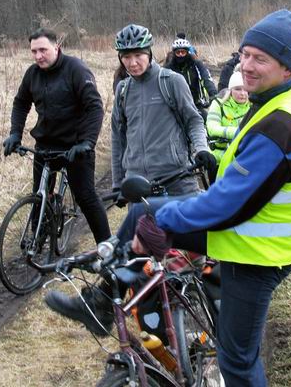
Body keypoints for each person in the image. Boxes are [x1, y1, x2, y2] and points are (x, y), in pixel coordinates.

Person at [136, 9, 291, 387]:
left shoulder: (282, 125)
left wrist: (167, 221)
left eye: (261, 58)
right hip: (255, 234)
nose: (247, 66)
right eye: (245, 54)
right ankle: (111, 302)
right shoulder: (277, 99)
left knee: (237, 360)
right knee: (139, 215)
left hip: (256, 251)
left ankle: (160, 301)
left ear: (287, 68)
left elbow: (226, 207)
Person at [44, 23, 218, 333]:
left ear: (149, 53)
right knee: (141, 264)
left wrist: (201, 149)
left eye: (138, 55)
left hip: (177, 179)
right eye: (126, 57)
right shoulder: (124, 90)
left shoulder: (171, 82)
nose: (132, 62)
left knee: (180, 259)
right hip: (141, 186)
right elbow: (118, 137)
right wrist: (119, 183)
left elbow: (193, 121)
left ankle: (103, 303)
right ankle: (155, 327)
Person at [1, 28, 110, 243]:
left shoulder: (76, 70)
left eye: (43, 50)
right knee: (39, 196)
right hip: (46, 144)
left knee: (86, 197)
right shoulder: (32, 74)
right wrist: (15, 133)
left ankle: (108, 248)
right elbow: (21, 103)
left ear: (56, 47)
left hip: (75, 147)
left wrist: (87, 142)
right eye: (34, 51)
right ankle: (36, 243)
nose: (38, 56)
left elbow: (95, 107)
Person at [164, 32, 217, 119]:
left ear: (187, 52)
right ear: (174, 53)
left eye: (183, 52)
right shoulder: (168, 68)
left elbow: (206, 78)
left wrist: (213, 94)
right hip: (175, 107)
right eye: (178, 52)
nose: (180, 54)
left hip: (195, 104)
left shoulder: (196, 65)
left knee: (208, 123)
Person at [206, 71, 250, 162]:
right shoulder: (218, 104)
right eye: (238, 89)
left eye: (246, 89)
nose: (242, 93)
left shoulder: (253, 107)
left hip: (244, 157)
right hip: (218, 157)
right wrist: (238, 132)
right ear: (230, 90)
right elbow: (212, 128)